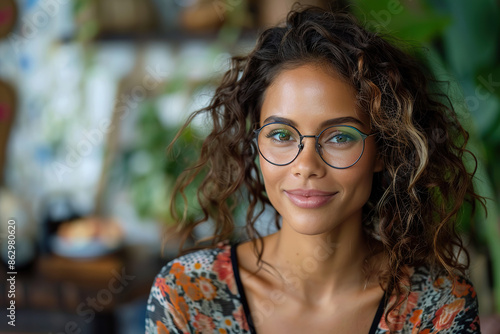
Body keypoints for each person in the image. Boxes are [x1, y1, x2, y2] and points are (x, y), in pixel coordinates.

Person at [145, 6, 484, 334]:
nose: (306, 165)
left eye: (339, 136)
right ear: (256, 145)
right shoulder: (188, 295)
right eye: (281, 134)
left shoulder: (436, 306)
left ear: (384, 149)